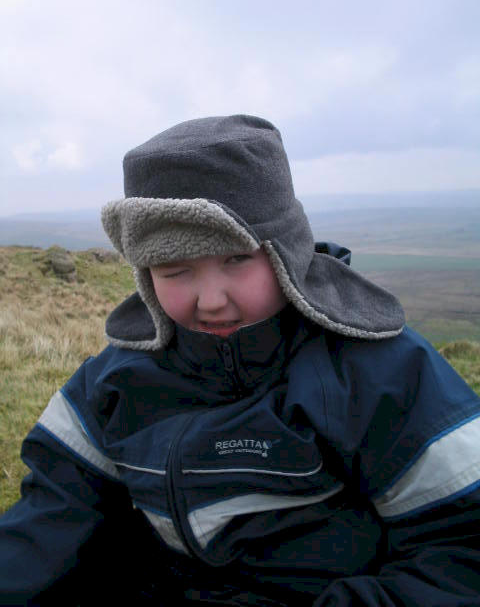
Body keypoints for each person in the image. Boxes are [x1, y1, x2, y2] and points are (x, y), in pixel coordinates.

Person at [1, 115, 480, 606]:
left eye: (236, 260)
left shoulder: (379, 372)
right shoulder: (115, 380)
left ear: (287, 252)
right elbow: (52, 517)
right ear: (145, 276)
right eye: (175, 269)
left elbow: (461, 549)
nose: (211, 300)